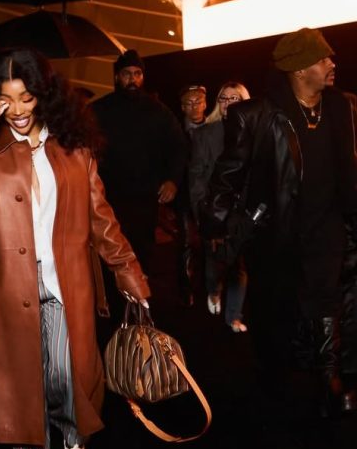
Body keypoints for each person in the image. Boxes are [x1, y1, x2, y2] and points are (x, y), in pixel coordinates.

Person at [0, 48, 149, 449]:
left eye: (27, 97)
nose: (17, 110)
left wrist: (127, 269)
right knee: (19, 383)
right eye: (6, 99)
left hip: (63, 281)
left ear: (44, 95)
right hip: (5, 285)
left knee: (63, 374)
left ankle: (73, 438)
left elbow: (100, 217)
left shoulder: (73, 147)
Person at [202, 28, 357, 416]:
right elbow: (227, 176)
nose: (332, 64)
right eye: (324, 59)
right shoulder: (255, 116)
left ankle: (329, 377)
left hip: (329, 226)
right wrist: (217, 227)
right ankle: (274, 375)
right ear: (300, 69)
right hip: (276, 231)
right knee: (277, 306)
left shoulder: (343, 107)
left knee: (325, 299)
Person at [89, 49, 186, 274]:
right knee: (109, 254)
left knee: (143, 256)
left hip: (145, 199)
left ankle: (141, 294)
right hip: (108, 197)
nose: (132, 79)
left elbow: (178, 146)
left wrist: (172, 180)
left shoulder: (159, 111)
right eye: (127, 74)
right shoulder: (98, 110)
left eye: (137, 74)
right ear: (117, 77)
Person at [189, 81, 251, 331]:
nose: (227, 103)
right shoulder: (205, 134)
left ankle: (234, 315)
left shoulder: (254, 132)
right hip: (213, 208)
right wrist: (201, 212)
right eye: (223, 98)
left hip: (243, 209)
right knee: (215, 260)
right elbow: (196, 177)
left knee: (239, 263)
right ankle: (214, 290)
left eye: (234, 98)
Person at [174, 84, 208, 305]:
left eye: (198, 101)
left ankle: (209, 287)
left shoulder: (216, 128)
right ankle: (186, 290)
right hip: (185, 196)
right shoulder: (176, 132)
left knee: (209, 242)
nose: (194, 107)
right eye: (189, 102)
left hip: (210, 196)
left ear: (206, 104)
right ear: (182, 107)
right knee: (186, 242)